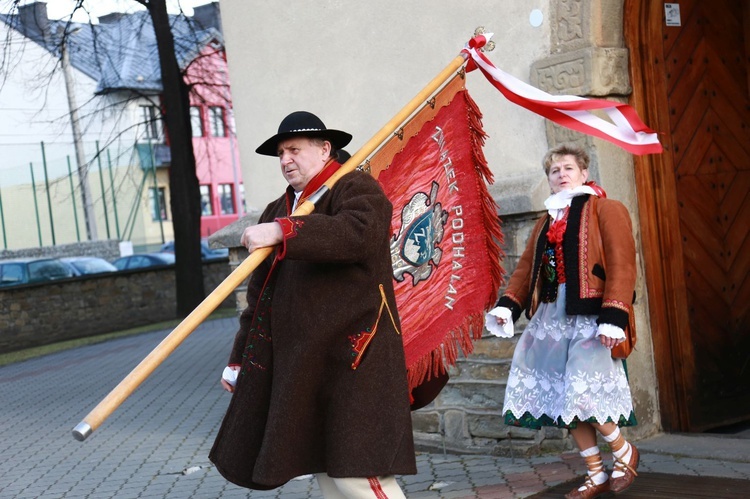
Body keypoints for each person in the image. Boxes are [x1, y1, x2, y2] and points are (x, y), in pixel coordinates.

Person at [209, 111, 416, 498]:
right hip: (306, 364)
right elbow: (260, 297)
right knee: (326, 471)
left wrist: (284, 231)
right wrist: (238, 357)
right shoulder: (278, 208)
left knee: (357, 474)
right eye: (281, 153)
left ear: (324, 150)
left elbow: (359, 233)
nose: (285, 159)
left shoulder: (355, 187)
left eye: (294, 150)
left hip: (355, 356)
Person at [485, 144, 639, 499]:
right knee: (561, 397)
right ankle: (596, 473)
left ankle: (623, 451)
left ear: (584, 173)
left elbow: (622, 263)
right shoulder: (545, 220)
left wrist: (614, 316)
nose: (562, 175)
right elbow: (526, 271)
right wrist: (508, 306)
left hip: (592, 317)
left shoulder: (606, 208)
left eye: (568, 168)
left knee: (583, 392)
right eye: (555, 171)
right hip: (552, 319)